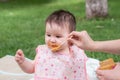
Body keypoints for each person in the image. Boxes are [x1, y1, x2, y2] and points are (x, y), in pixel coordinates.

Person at [15, 10, 93, 80]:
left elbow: (79, 71)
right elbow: (31, 68)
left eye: (58, 36)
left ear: (70, 37)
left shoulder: (75, 53)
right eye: (48, 35)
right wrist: (22, 62)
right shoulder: (43, 52)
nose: (52, 40)